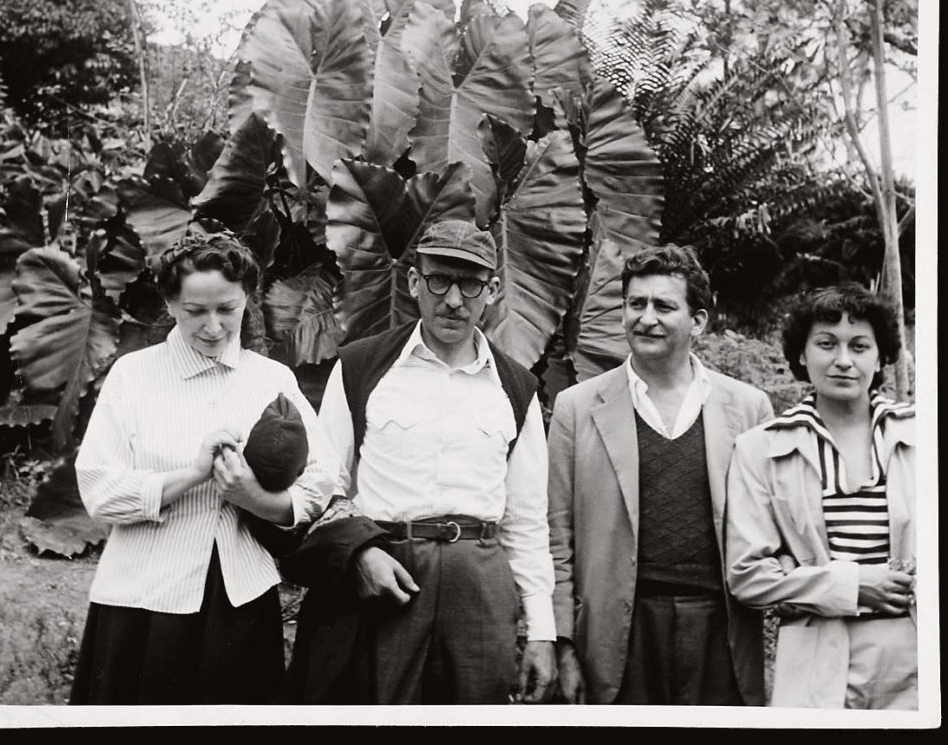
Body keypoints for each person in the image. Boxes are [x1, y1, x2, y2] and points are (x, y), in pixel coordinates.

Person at [282, 218, 556, 704]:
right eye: (439, 280)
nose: (454, 299)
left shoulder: (517, 388)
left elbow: (527, 521)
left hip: (479, 590)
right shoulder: (362, 366)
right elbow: (322, 485)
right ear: (413, 281)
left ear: (492, 290)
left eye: (470, 284)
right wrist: (360, 555)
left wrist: (540, 631)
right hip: (386, 576)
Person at [68, 230, 335, 705]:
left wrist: (257, 499)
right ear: (170, 303)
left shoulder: (271, 378)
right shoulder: (134, 376)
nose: (212, 326)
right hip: (142, 599)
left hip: (240, 600)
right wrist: (193, 474)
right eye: (195, 311)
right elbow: (98, 489)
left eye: (227, 309)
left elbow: (322, 477)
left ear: (247, 301)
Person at [547, 243, 773, 705]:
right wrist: (564, 643)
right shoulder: (577, 407)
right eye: (636, 303)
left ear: (699, 321)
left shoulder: (749, 408)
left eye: (664, 305)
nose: (646, 317)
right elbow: (556, 534)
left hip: (722, 628)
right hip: (618, 634)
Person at [725, 283, 917, 709]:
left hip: (916, 660)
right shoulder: (760, 449)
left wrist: (796, 576)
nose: (843, 361)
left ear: (882, 356)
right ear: (800, 354)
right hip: (814, 662)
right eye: (826, 344)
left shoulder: (925, 436)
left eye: (860, 346)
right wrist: (850, 584)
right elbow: (748, 576)